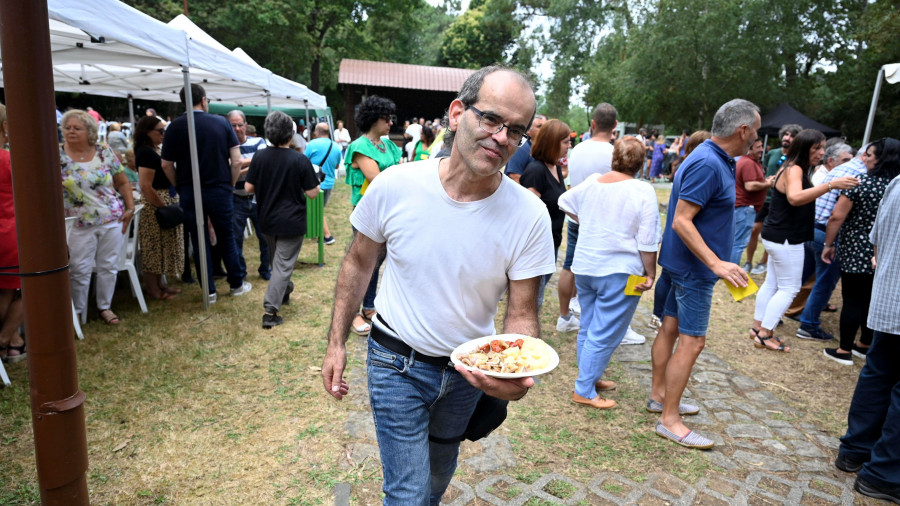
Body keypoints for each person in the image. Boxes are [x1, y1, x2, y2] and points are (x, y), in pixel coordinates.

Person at [322, 64, 554, 505]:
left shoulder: (529, 215)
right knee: (408, 495)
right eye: (491, 119)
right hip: (394, 362)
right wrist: (336, 342)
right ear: (455, 113)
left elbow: (522, 313)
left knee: (434, 481)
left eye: (516, 131)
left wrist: (517, 374)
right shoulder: (396, 185)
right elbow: (357, 262)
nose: (502, 138)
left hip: (467, 375)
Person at [652, 99, 759, 450]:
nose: (756, 138)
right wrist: (716, 263)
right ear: (742, 130)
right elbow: (682, 219)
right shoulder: (708, 162)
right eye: (755, 131)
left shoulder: (712, 158)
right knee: (693, 341)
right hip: (693, 270)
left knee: (670, 328)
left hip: (684, 265)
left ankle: (660, 397)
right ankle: (669, 420)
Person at [560, 136, 660, 410]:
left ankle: (589, 378)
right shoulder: (642, 190)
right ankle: (584, 388)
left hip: (586, 267)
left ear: (613, 157)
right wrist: (650, 272)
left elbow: (565, 200)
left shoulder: (593, 182)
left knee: (590, 327)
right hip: (622, 271)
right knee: (605, 333)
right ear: (641, 164)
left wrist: (589, 221)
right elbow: (648, 239)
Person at [750, 129, 859, 352]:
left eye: (823, 148)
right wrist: (831, 185)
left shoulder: (791, 167)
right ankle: (765, 334)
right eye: (817, 148)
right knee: (789, 288)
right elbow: (795, 198)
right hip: (786, 237)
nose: (821, 152)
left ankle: (758, 327)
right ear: (804, 148)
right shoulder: (795, 169)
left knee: (772, 283)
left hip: (777, 234)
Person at [833, 172, 900, 504]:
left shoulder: (896, 182)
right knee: (882, 376)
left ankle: (856, 451)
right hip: (890, 298)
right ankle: (885, 473)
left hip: (890, 299)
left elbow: (877, 239)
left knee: (878, 373)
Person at [161, 84, 251, 303]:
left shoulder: (174, 127)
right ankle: (236, 284)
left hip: (190, 190)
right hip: (220, 188)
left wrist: (181, 185)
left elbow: (166, 165)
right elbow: (237, 160)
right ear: (203, 100)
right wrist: (229, 184)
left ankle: (208, 291)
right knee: (226, 237)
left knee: (198, 239)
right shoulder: (221, 123)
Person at [821, 138, 900, 364]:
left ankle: (844, 350)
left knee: (853, 299)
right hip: (884, 253)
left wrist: (828, 244)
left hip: (856, 250)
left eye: (869, 155)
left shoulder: (860, 183)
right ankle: (864, 343)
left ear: (882, 159)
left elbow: (837, 216)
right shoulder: (894, 185)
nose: (863, 158)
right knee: (871, 299)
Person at [245, 112, 321, 329]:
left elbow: (249, 188)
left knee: (277, 263)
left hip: (267, 218)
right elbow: (313, 193)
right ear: (291, 133)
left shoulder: (259, 157)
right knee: (282, 265)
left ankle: (284, 290)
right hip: (291, 221)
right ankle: (270, 312)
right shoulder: (299, 160)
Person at [60, 109, 136, 325]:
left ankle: (105, 307)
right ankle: (77, 313)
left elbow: (122, 182)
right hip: (78, 223)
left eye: (77, 128)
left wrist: (129, 208)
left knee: (108, 266)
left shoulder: (104, 152)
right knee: (79, 269)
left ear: (90, 131)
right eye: (67, 128)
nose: (71, 131)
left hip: (111, 219)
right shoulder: (58, 156)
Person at [796, 145, 869, 341]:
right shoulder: (860, 173)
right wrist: (830, 243)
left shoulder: (840, 168)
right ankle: (808, 325)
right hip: (827, 233)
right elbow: (837, 216)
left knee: (800, 277)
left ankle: (779, 314)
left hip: (811, 227)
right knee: (824, 282)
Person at [343, 96, 403, 336]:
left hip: (388, 212)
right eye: (386, 118)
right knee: (361, 264)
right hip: (367, 213)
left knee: (376, 263)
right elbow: (378, 180)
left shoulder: (389, 146)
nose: (391, 123)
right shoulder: (359, 146)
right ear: (373, 118)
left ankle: (369, 307)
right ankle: (353, 313)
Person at [561, 103, 616, 333]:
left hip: (577, 216)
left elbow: (571, 183)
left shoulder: (578, 150)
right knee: (603, 271)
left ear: (593, 124)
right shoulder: (614, 152)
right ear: (614, 126)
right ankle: (597, 319)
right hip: (604, 221)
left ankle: (564, 316)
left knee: (570, 265)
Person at [650, 130, 710, 329]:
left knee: (667, 275)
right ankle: (661, 315)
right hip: (682, 231)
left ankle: (658, 315)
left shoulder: (684, 166)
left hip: (674, 231)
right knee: (669, 277)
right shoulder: (698, 168)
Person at [521, 119, 571, 310]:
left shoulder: (556, 167)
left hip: (553, 242)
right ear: (552, 142)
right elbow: (528, 215)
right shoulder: (536, 171)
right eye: (565, 142)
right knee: (532, 304)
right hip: (537, 248)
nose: (569, 146)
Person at [134, 115, 184, 300]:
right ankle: (153, 289)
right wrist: (163, 208)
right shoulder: (145, 153)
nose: (164, 134)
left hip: (163, 200)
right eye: (160, 131)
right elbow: (146, 186)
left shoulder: (154, 149)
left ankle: (160, 285)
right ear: (147, 132)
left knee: (161, 247)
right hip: (154, 205)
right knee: (153, 248)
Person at [747, 123, 803, 274]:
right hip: (763, 198)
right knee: (754, 229)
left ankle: (763, 262)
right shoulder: (772, 154)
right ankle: (748, 261)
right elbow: (762, 170)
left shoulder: (796, 159)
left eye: (792, 136)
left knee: (769, 232)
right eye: (786, 134)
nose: (787, 138)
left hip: (779, 202)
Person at [228, 110, 271, 280]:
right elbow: (255, 163)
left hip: (258, 198)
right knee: (236, 239)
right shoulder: (225, 146)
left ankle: (265, 269)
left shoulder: (258, 142)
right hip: (236, 199)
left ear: (246, 125)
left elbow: (262, 163)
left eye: (240, 125)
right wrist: (252, 164)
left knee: (265, 237)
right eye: (233, 125)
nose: (237, 128)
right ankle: (240, 272)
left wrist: (236, 167)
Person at [0, 104, 25, 363]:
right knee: (25, 287)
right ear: (5, 127)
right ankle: (5, 340)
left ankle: (11, 341)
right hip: (10, 232)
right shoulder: (10, 160)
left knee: (5, 291)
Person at [730, 138, 772, 264]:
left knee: (736, 241)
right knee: (739, 243)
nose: (761, 149)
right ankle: (732, 272)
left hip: (742, 208)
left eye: (761, 146)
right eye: (758, 147)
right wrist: (767, 184)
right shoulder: (748, 163)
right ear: (749, 148)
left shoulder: (749, 161)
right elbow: (750, 186)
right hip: (745, 208)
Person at [306, 122, 342, 245]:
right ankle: (315, 233)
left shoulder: (311, 145)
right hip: (329, 183)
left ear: (317, 132)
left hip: (314, 183)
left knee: (317, 210)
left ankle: (327, 236)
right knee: (319, 208)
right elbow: (337, 165)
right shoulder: (336, 146)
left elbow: (303, 163)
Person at [504, 113, 546, 183]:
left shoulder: (536, 148)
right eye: (539, 126)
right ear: (528, 131)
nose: (544, 130)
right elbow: (514, 176)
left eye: (545, 127)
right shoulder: (522, 147)